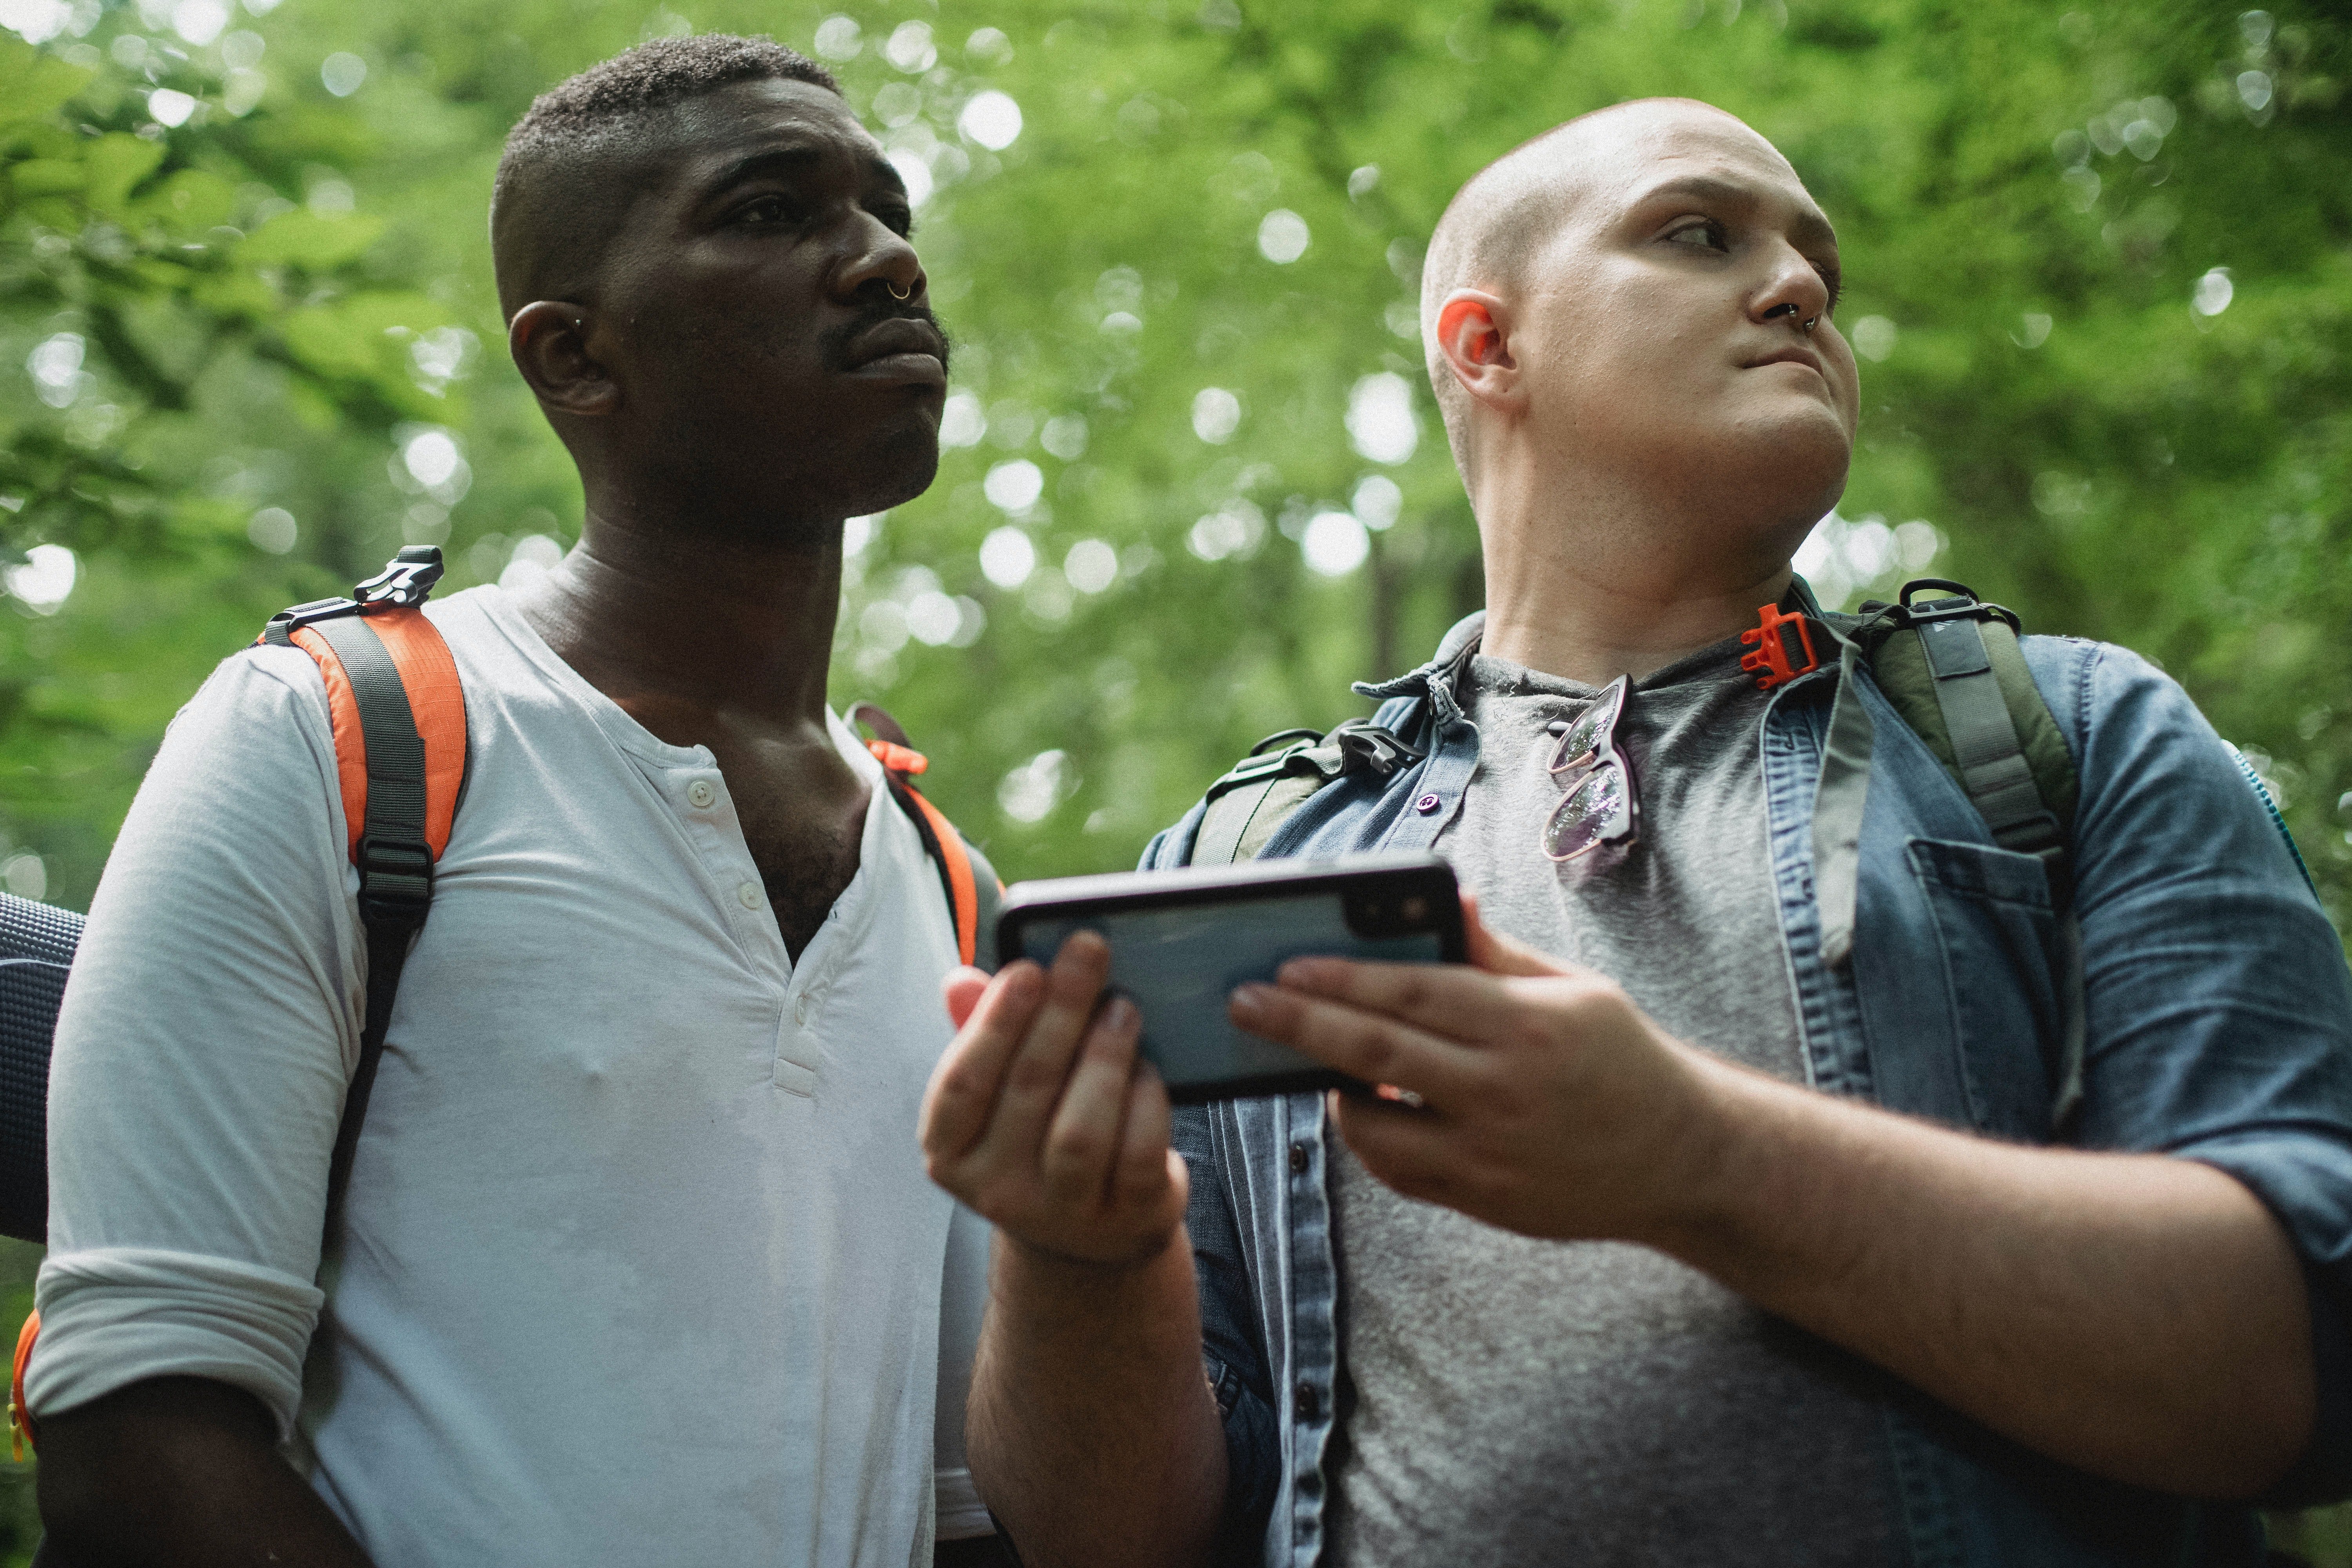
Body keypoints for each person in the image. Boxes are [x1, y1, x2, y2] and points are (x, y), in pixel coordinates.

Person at [918, 98, 2352, 1566]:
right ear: (1490, 348)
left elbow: (2301, 1359)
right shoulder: (1249, 864)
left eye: (1819, 270)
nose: (1799, 288)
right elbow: (1117, 1540)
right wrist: (1081, 1254)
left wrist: (1695, 1159)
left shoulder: (2066, 736)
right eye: (1698, 234)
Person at [29, 35, 1007, 1568]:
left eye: (887, 210)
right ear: (574, 357)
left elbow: (968, 1509)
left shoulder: (950, 894)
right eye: (769, 210)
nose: (885, 261)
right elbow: (135, 1435)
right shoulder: (333, 741)